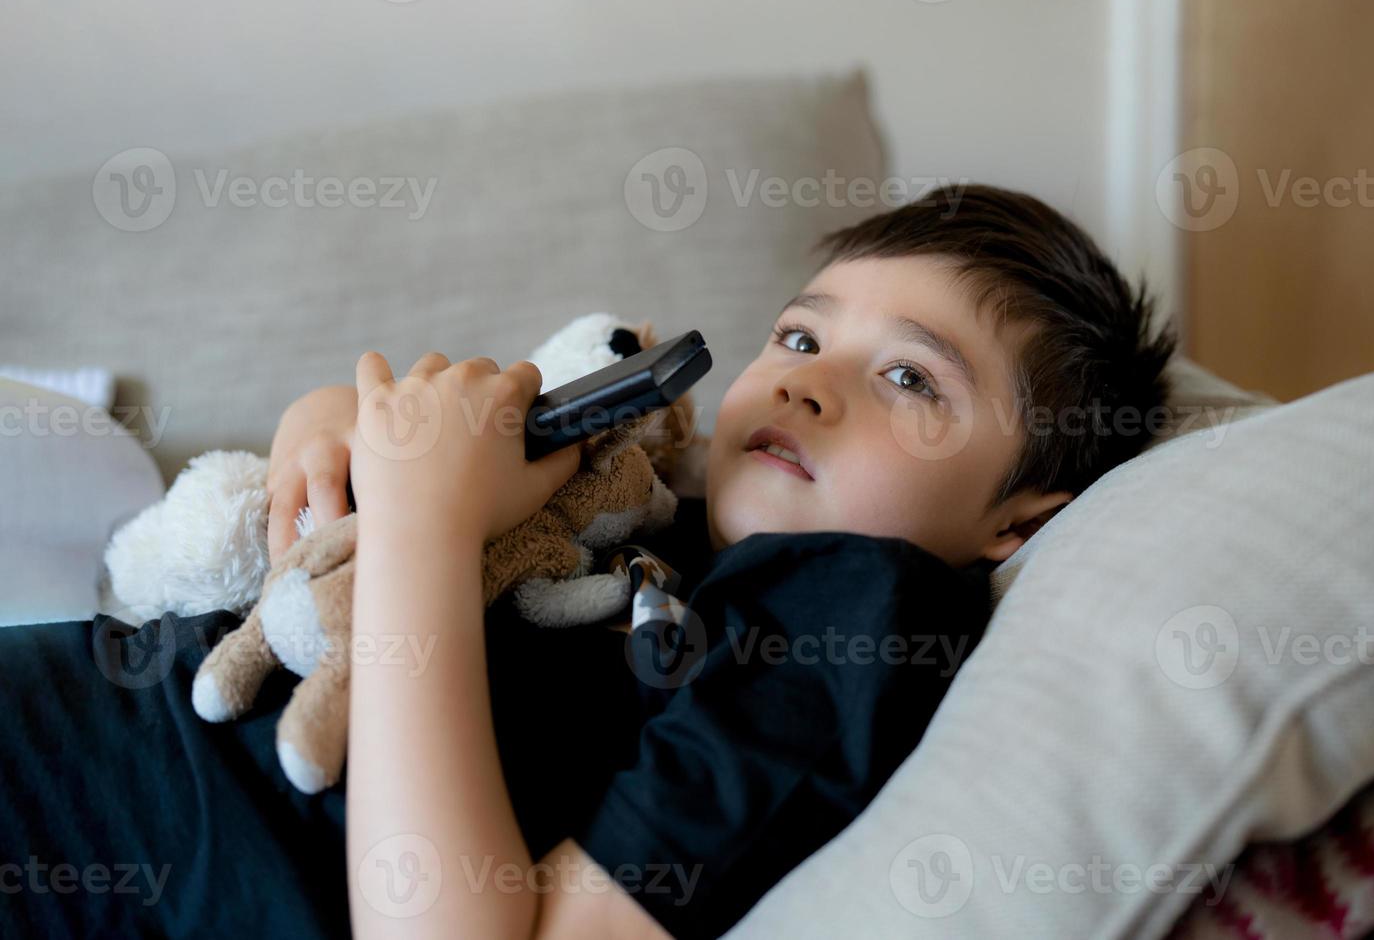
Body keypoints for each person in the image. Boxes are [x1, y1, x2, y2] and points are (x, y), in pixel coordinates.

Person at [0, 184, 1175, 939]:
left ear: (1016, 522)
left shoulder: (849, 612)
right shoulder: (656, 512)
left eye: (910, 376)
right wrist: (330, 440)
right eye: (803, 334)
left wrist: (423, 520)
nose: (808, 378)